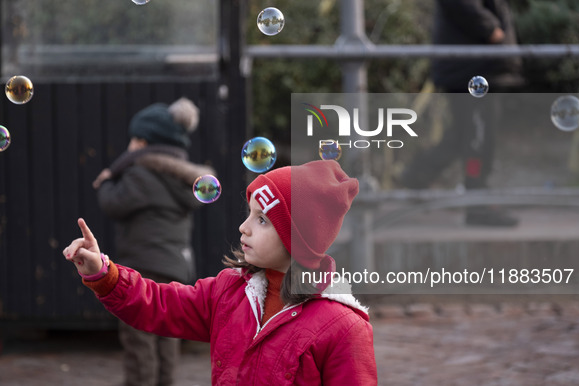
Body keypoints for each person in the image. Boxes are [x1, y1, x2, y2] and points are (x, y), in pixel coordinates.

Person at [64, 160, 378, 385]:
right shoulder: (228, 291)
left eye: (262, 220)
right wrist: (104, 273)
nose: (244, 227)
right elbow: (160, 304)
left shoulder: (344, 328)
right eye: (249, 214)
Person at [92, 97, 215, 386]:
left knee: (138, 333)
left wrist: (107, 181)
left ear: (146, 143)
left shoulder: (140, 174)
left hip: (142, 264)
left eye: (135, 139)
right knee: (167, 332)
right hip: (175, 266)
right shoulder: (184, 180)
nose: (131, 145)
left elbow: (113, 203)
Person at [400, 0, 524, 226]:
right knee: (478, 138)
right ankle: (478, 204)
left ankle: (419, 174)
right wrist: (491, 29)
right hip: (473, 68)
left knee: (464, 134)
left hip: (475, 66)